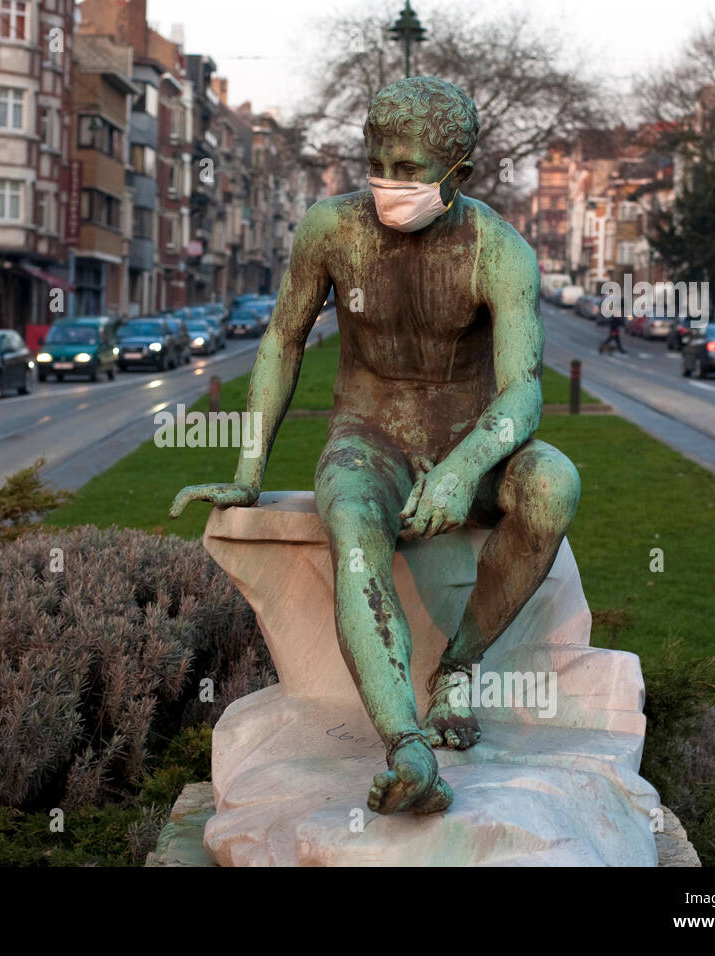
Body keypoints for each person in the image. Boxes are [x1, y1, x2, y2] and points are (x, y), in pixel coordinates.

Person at [170, 77, 580, 815]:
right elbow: (283, 339)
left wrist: (461, 472)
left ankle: (458, 668)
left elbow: (524, 391)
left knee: (554, 485)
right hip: (368, 440)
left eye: (412, 169)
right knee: (355, 530)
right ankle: (406, 747)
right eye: (379, 161)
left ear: (460, 174)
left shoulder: (501, 251)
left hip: (470, 442)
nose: (390, 182)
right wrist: (247, 468)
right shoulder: (330, 229)